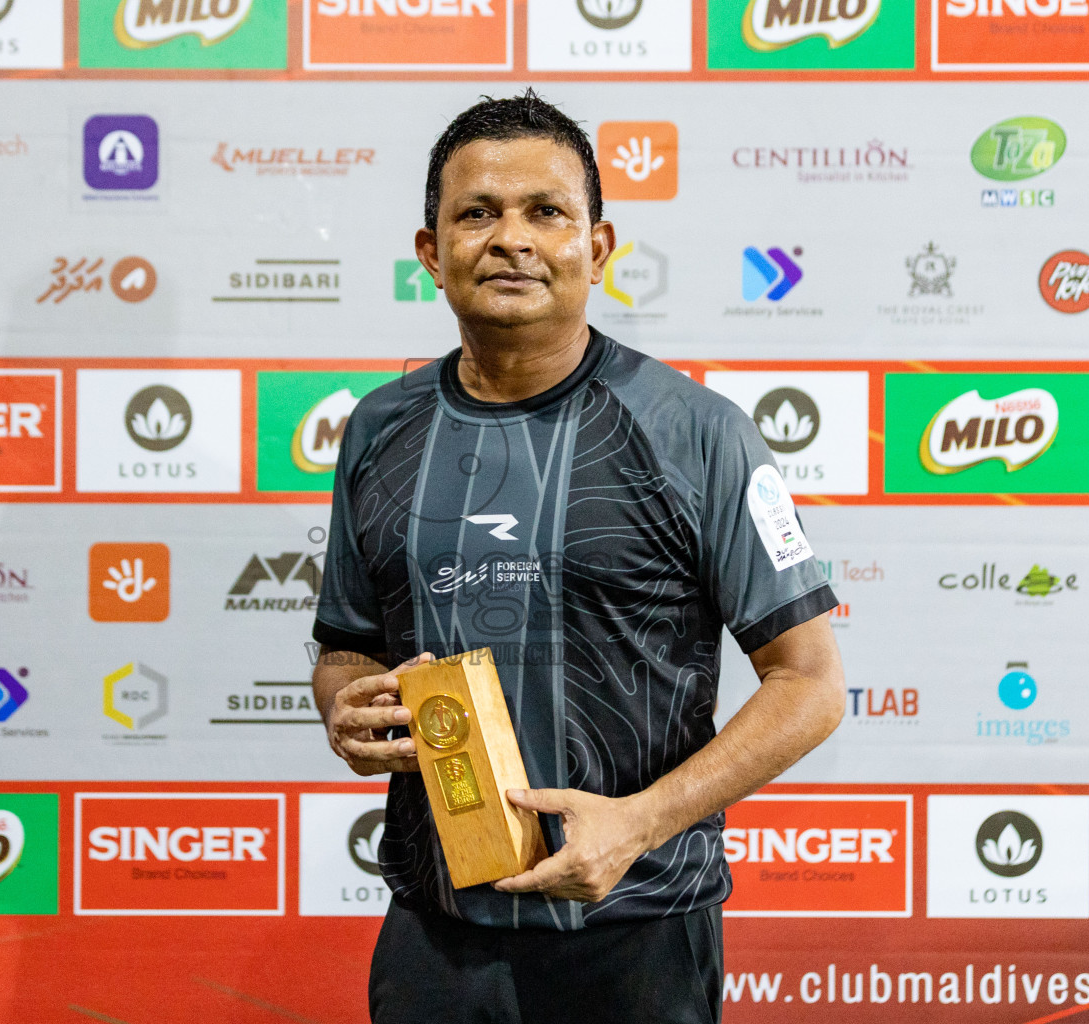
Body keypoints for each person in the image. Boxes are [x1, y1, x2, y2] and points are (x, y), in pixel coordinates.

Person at [310, 89, 846, 1024]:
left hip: (638, 933)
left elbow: (809, 685)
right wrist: (344, 705)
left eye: (545, 212)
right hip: (435, 936)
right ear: (432, 252)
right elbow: (348, 646)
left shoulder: (695, 432)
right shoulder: (378, 431)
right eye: (476, 213)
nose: (510, 238)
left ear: (595, 249)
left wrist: (636, 823)